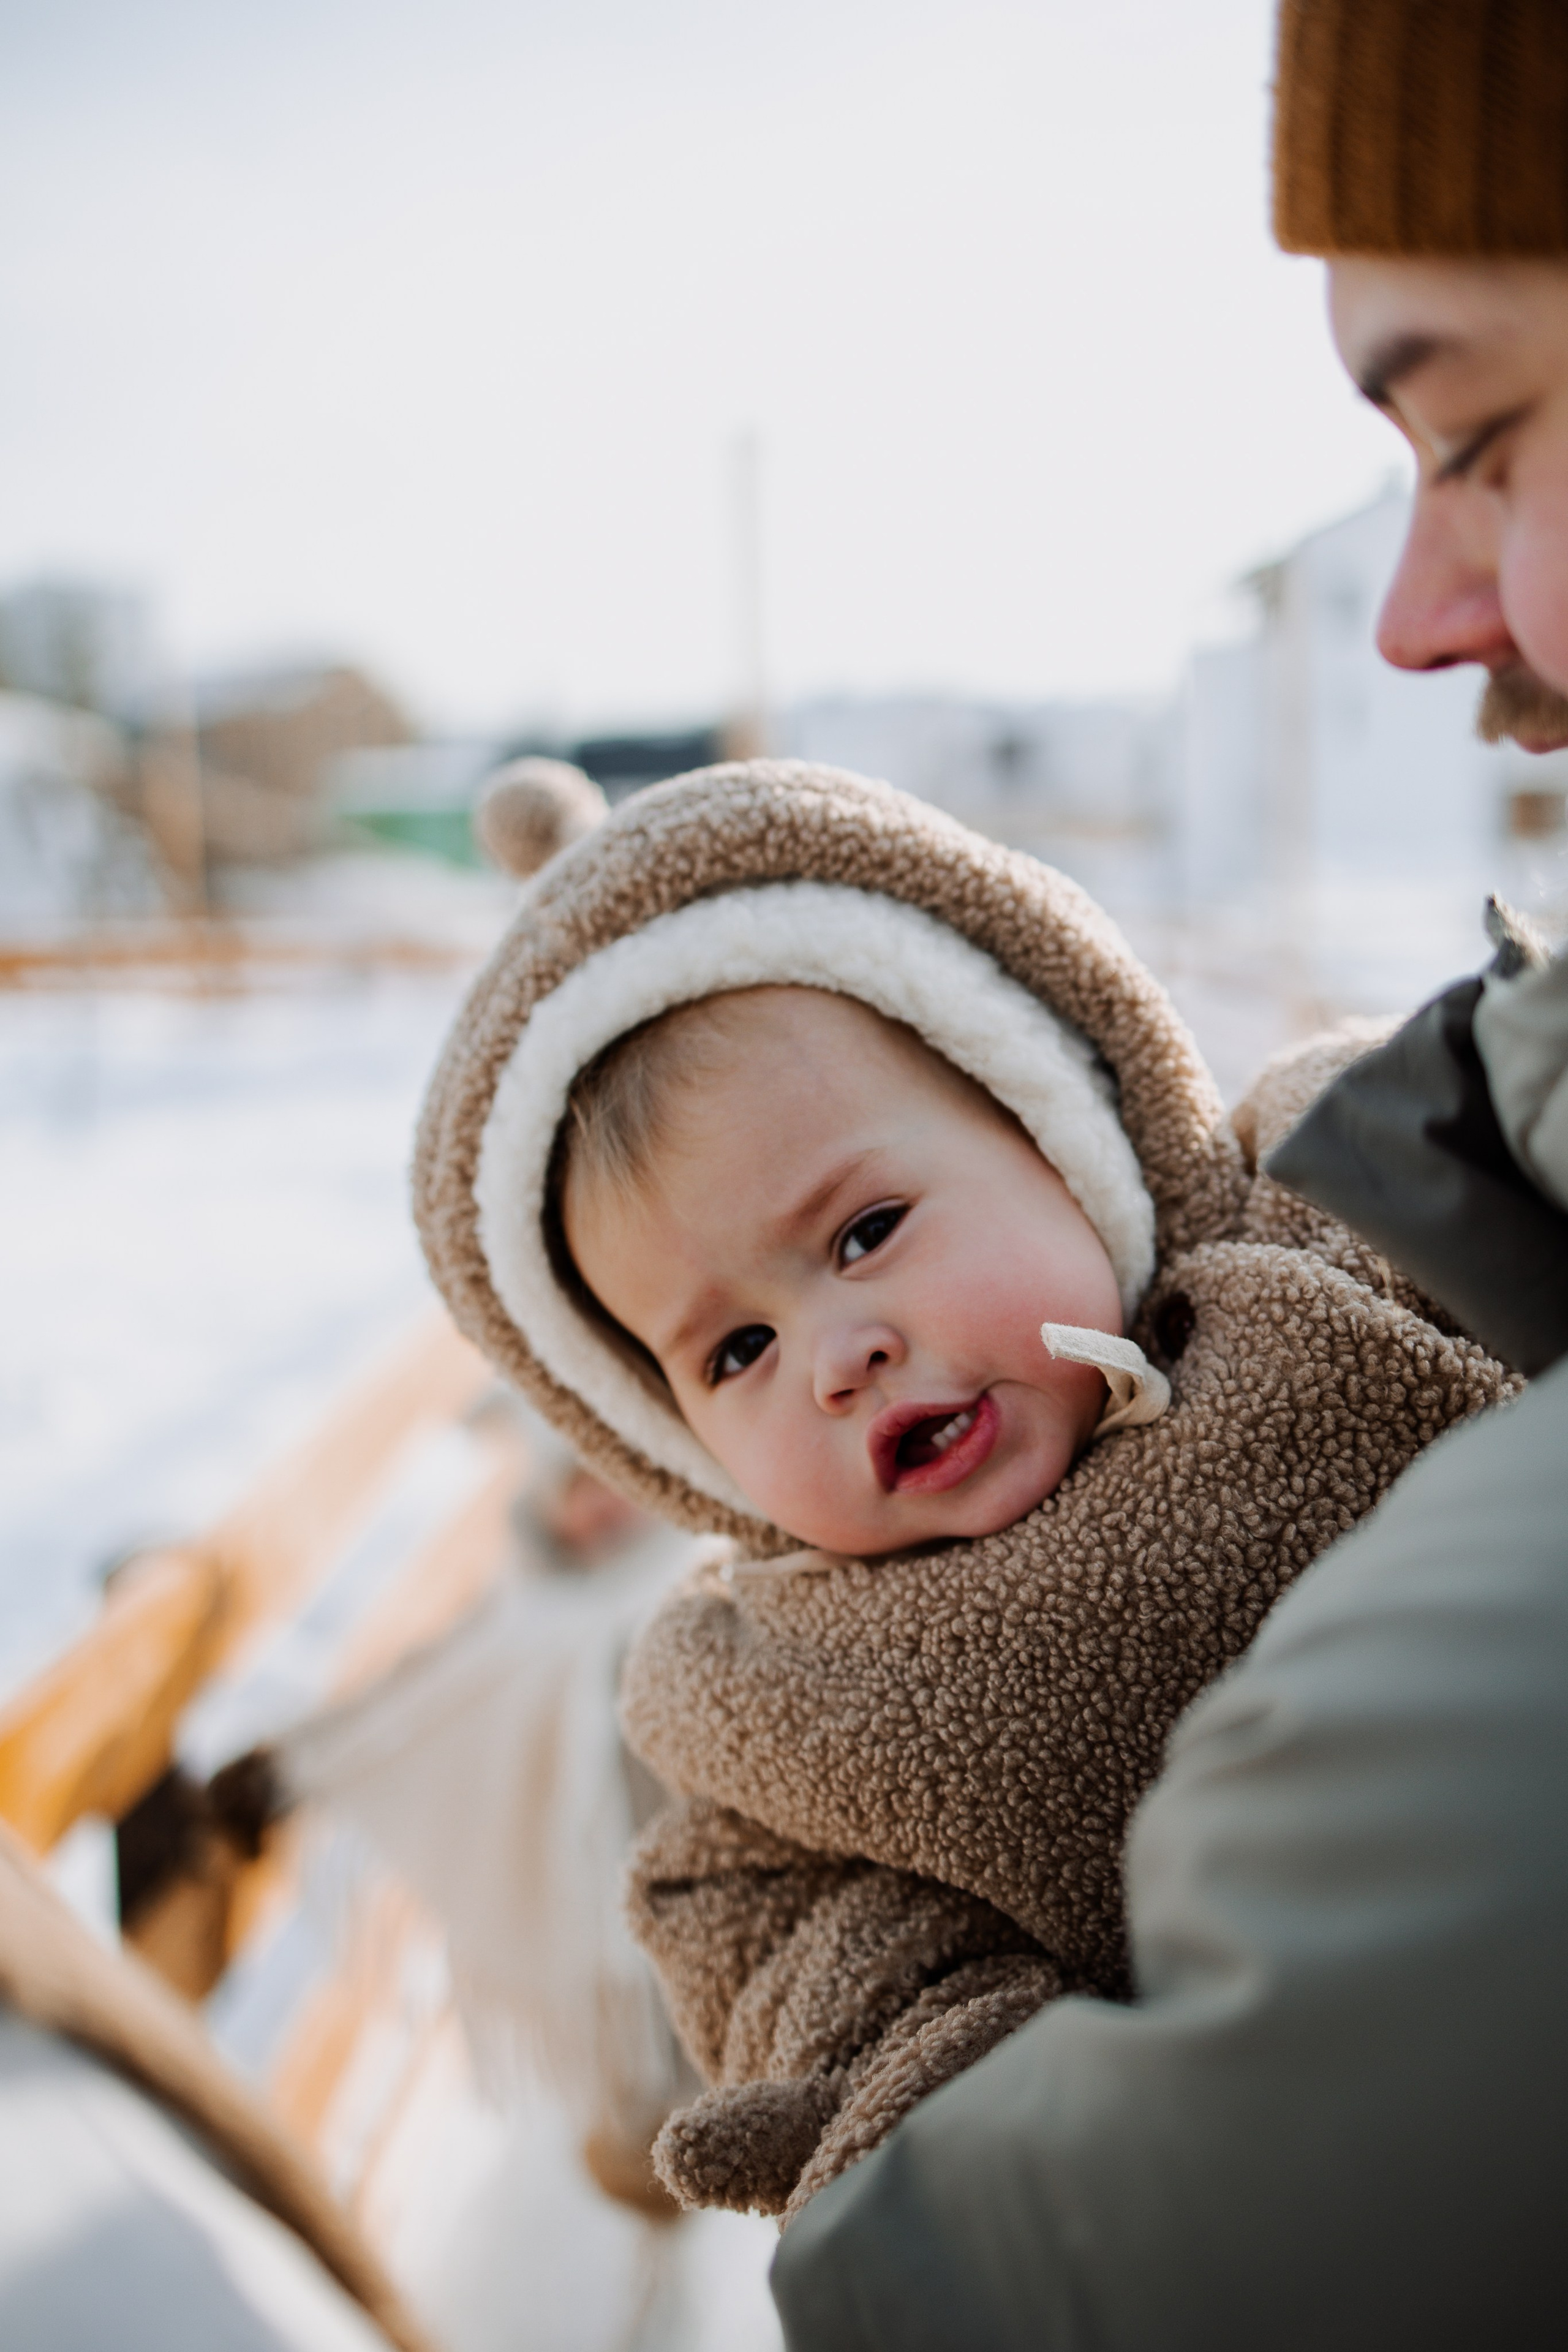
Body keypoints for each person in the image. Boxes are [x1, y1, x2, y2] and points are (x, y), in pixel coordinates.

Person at [758, 1, 1568, 2342]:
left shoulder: (1363, 1307)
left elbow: (1016, 2282)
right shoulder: (742, 1702)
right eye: (717, 1346)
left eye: (1485, 439)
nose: (1418, 615)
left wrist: (889, 2121)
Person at [410, 756, 1507, 2231]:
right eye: (735, 1351)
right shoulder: (773, 1707)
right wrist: (941, 2099)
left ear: (1056, 1132)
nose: (836, 1358)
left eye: (865, 1232)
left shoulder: (1337, 1223)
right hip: (1299, 2191)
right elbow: (794, 1953)